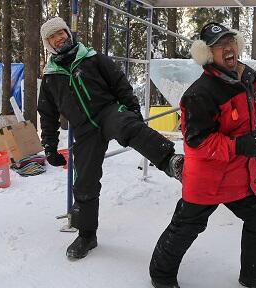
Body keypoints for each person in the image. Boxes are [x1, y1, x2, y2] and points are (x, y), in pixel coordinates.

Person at [149, 22, 256, 288]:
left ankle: (254, 276)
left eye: (231, 42)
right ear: (207, 54)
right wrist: (240, 146)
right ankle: (161, 274)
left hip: (237, 176)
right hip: (207, 179)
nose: (228, 48)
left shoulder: (242, 76)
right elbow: (197, 142)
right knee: (187, 226)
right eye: (219, 46)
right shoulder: (200, 94)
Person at [38, 17, 183, 260]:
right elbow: (48, 114)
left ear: (68, 33)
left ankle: (171, 161)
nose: (59, 37)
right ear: (48, 43)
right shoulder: (51, 76)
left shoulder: (92, 58)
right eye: (53, 36)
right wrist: (50, 146)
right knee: (84, 182)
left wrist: (133, 110)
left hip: (108, 111)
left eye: (61, 32)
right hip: (84, 129)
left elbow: (120, 83)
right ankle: (86, 235)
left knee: (128, 127)